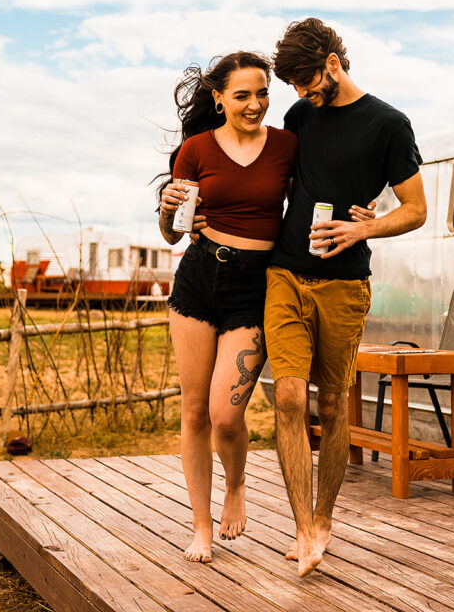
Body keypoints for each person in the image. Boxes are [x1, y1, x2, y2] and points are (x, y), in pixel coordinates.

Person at [264, 17, 427, 577]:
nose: (301, 95)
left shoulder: (388, 124)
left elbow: (416, 209)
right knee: (288, 398)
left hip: (345, 283)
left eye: (307, 81)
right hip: (285, 274)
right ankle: (303, 526)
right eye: (294, 87)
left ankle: (324, 519)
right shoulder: (299, 115)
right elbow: (280, 184)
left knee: (332, 405)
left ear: (333, 63)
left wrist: (364, 228)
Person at [158, 51, 297, 563]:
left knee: (225, 413)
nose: (255, 104)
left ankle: (235, 485)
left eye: (262, 93)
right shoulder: (195, 149)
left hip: (254, 288)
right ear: (218, 98)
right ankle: (200, 526)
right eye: (242, 95)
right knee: (194, 410)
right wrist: (169, 213)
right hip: (198, 279)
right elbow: (173, 229)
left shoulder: (286, 147)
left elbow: (316, 193)